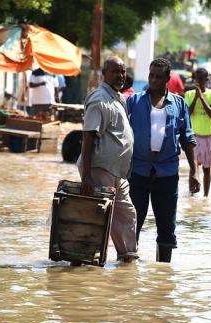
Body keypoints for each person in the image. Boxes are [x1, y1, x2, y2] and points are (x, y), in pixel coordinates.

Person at [127, 58, 200, 263]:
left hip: (167, 174)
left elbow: (188, 138)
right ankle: (126, 271)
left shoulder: (179, 104)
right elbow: (122, 135)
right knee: (132, 225)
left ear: (168, 79)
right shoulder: (135, 101)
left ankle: (163, 275)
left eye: (159, 77)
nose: (154, 80)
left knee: (167, 228)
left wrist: (194, 172)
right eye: (151, 75)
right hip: (138, 172)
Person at [76, 56, 138, 264]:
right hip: (100, 169)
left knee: (126, 214)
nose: (121, 76)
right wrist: (86, 176)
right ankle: (88, 260)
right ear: (105, 73)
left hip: (117, 171)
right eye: (116, 71)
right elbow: (88, 137)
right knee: (100, 217)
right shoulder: (99, 99)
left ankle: (128, 258)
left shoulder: (117, 98)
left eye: (123, 71)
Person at [185, 68, 211, 197]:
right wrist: (196, 97)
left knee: (206, 169)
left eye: (201, 79)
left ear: (206, 80)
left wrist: (202, 98)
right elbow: (188, 112)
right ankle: (192, 195)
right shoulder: (189, 94)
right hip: (193, 136)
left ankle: (205, 196)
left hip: (207, 136)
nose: (198, 82)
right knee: (193, 168)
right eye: (196, 79)